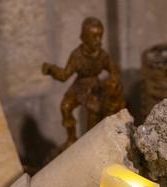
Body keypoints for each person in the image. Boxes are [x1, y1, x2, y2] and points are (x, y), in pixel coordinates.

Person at [42, 17, 125, 147]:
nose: (98, 40)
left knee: (94, 116)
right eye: (94, 37)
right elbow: (64, 75)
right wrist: (51, 69)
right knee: (65, 107)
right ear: (84, 37)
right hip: (78, 87)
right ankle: (71, 139)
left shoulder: (103, 56)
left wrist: (113, 80)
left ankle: (90, 144)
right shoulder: (77, 55)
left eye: (100, 36)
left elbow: (114, 70)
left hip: (95, 89)